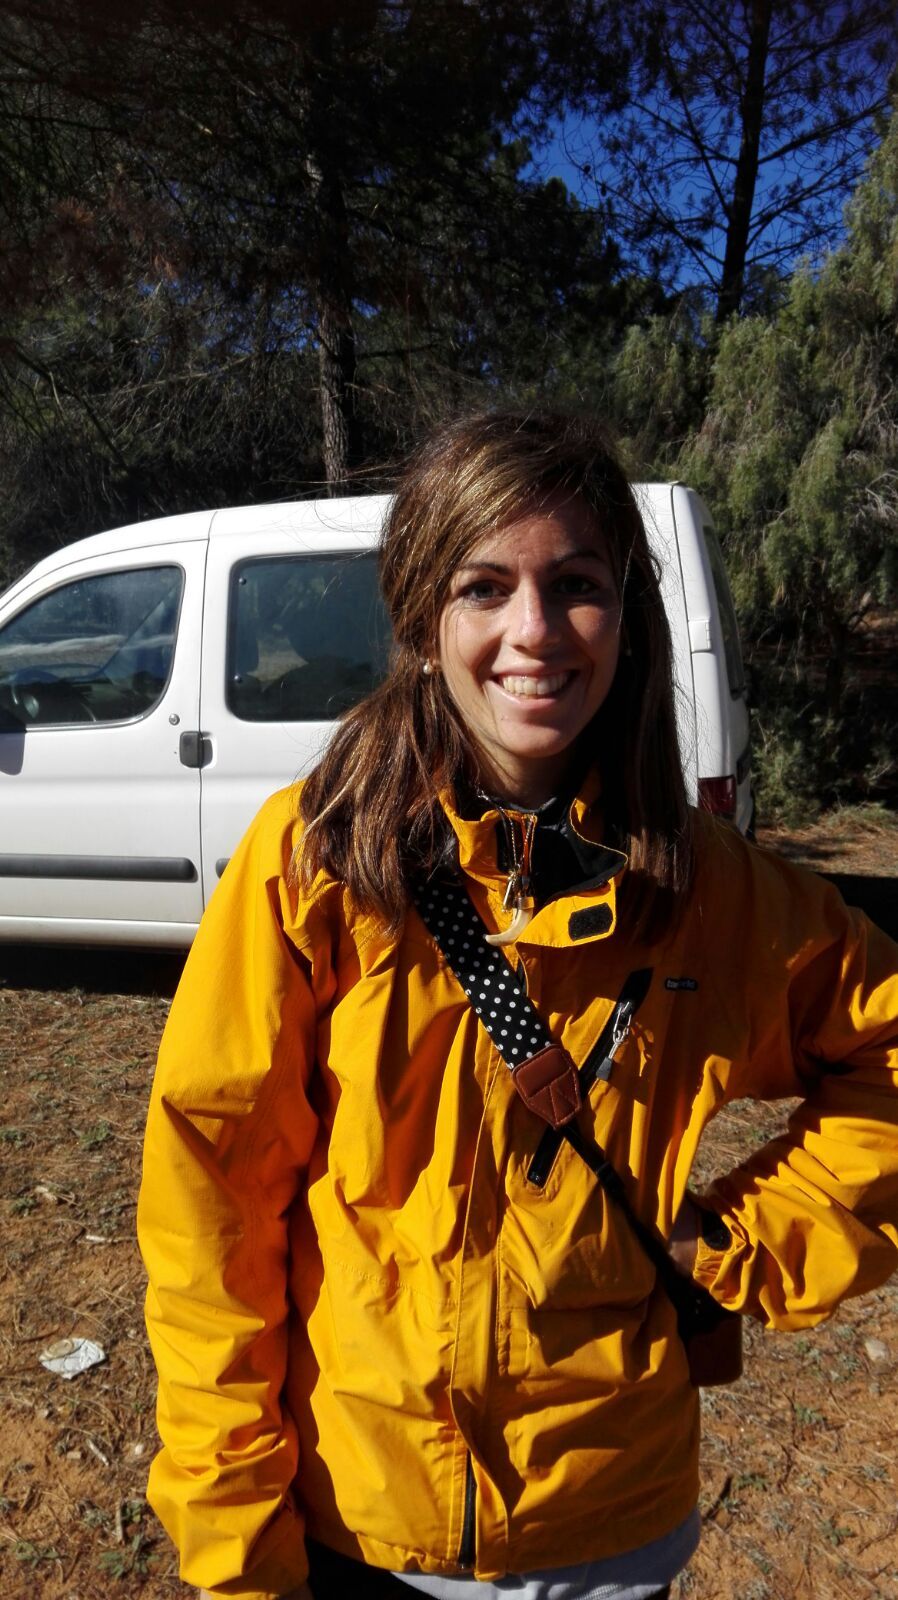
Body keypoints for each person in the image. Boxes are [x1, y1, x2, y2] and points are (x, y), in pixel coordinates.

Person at [138, 409, 898, 1600]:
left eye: (576, 584)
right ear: (420, 620)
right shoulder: (315, 861)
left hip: (609, 1523)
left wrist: (743, 1243)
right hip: (359, 1514)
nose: (533, 630)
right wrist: (234, 1526)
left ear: (625, 617)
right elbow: (210, 1207)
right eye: (483, 587)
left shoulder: (712, 891)